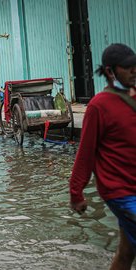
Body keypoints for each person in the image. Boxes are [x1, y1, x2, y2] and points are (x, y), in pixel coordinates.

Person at [69, 43, 136, 270]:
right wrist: (76, 191)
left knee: (127, 252)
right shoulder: (99, 106)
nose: (134, 71)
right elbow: (86, 153)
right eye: (128, 68)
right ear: (110, 71)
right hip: (120, 191)